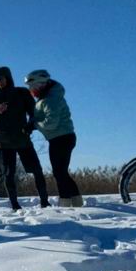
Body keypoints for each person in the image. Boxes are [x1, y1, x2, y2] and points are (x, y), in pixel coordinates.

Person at [0, 66, 50, 210]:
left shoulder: (22, 93)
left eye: (1, 78)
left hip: (22, 139)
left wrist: (30, 127)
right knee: (9, 174)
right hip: (4, 142)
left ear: (8, 77)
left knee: (37, 170)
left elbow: (35, 114)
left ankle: (44, 202)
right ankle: (14, 205)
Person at [24, 70, 83, 207]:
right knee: (61, 171)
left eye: (32, 87)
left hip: (61, 138)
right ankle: (76, 200)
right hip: (60, 138)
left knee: (59, 172)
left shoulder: (51, 99)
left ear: (41, 84)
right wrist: (33, 123)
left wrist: (34, 124)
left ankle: (65, 203)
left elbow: (51, 123)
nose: (30, 90)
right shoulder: (47, 97)